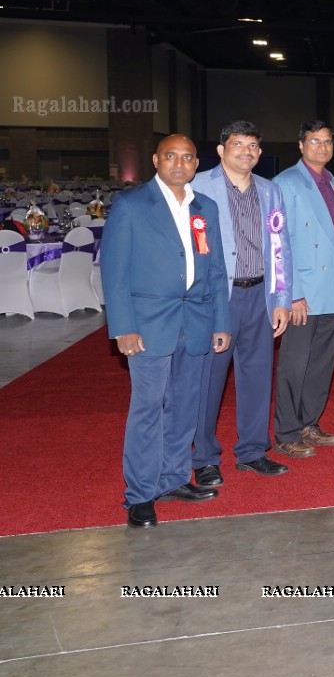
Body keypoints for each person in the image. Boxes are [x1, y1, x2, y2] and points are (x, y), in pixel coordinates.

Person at [104, 134, 231, 528]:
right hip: (148, 326)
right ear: (156, 159)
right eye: (171, 156)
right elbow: (114, 272)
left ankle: (174, 478)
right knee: (148, 409)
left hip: (195, 323)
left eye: (188, 157)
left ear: (196, 164)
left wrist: (221, 322)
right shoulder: (130, 205)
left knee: (184, 408)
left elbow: (216, 269)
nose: (180, 163)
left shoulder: (205, 207)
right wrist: (123, 327)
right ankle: (140, 494)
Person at [189, 121, 291, 488]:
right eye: (237, 144)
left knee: (258, 378)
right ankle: (203, 457)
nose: (246, 151)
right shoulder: (197, 186)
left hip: (260, 295)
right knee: (208, 381)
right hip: (218, 298)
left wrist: (281, 298)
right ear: (221, 150)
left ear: (259, 153)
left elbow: (281, 248)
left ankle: (252, 451)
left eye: (252, 145)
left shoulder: (270, 190)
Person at [272, 121, 334, 458]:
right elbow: (280, 242)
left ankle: (309, 422)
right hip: (304, 289)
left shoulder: (330, 180)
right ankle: (287, 431)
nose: (322, 147)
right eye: (315, 141)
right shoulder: (286, 182)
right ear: (301, 144)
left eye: (327, 142)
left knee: (321, 363)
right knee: (295, 364)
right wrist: (293, 293)